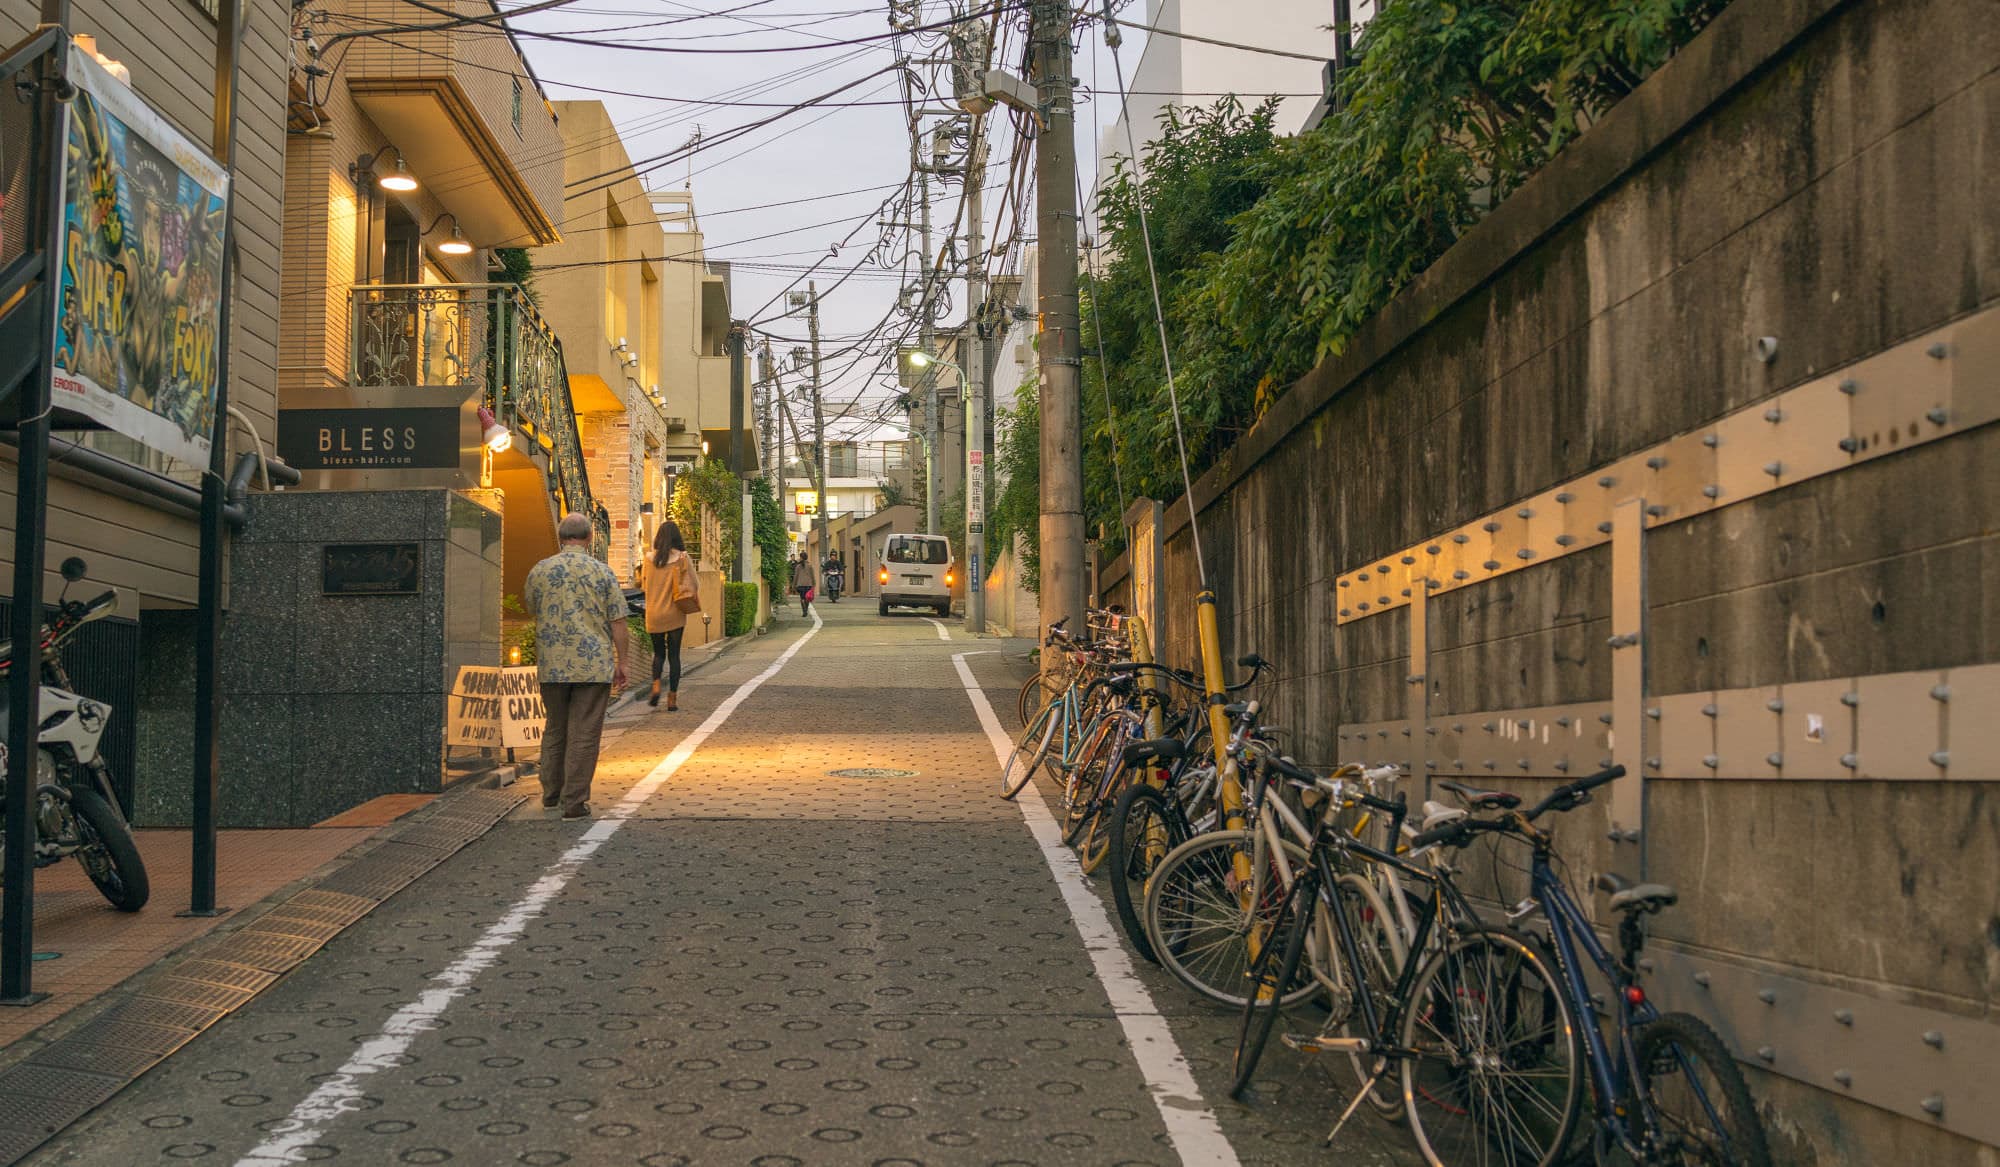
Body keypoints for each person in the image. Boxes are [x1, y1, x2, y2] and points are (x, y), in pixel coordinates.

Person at [522, 513, 630, 820]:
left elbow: (532, 607)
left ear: (560, 537)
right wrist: (622, 661)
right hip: (592, 665)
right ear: (589, 537)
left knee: (555, 727)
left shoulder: (540, 571)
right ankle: (575, 801)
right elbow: (618, 622)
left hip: (553, 663)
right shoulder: (602, 573)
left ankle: (550, 793)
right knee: (584, 732)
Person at [636, 520, 697, 711]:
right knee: (674, 656)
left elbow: (644, 586)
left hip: (654, 613)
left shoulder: (648, 559)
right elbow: (695, 584)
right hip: (675, 614)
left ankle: (655, 686)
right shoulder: (682, 558)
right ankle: (672, 698)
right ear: (676, 537)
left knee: (659, 654)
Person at [791, 550, 815, 616]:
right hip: (808, 585)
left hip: (800, 585)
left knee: (802, 598)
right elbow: (812, 575)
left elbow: (796, 576)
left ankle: (804, 611)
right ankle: (806, 609)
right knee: (807, 598)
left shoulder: (798, 566)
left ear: (801, 558)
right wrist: (813, 584)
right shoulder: (810, 566)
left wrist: (793, 585)